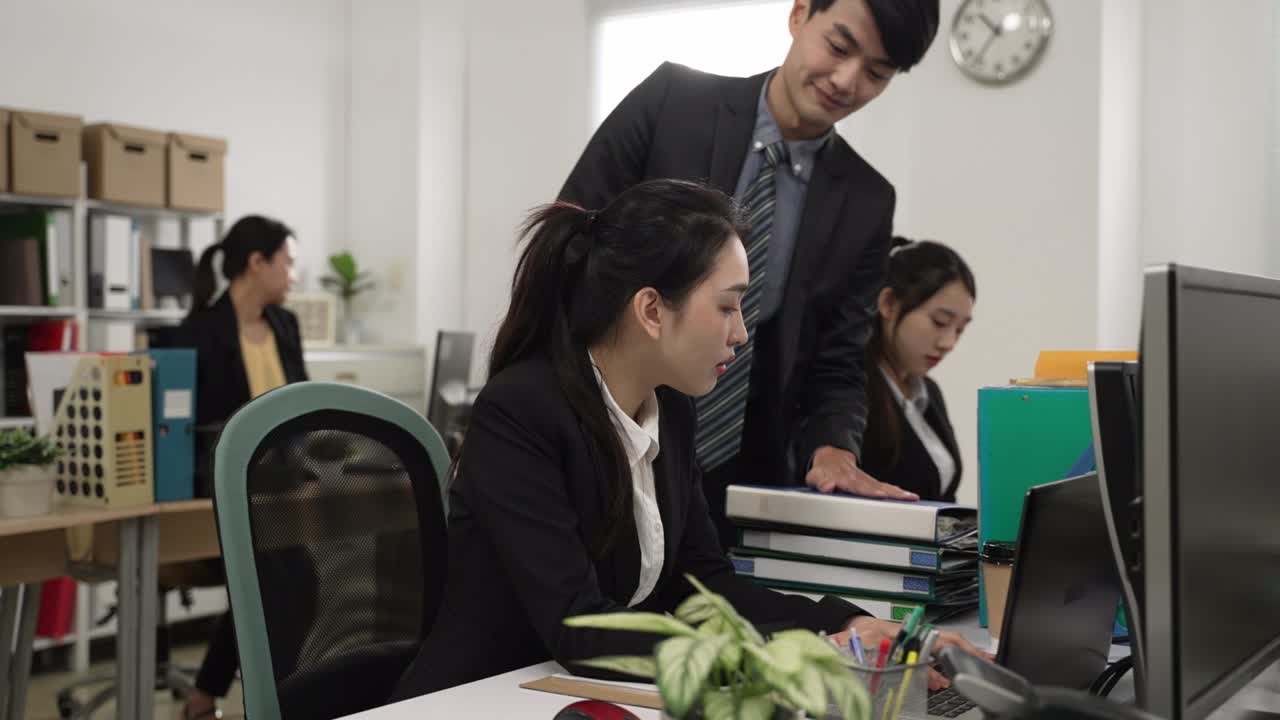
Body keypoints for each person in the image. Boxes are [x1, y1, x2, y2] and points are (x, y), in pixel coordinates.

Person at [390, 179, 980, 700]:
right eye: (727, 306)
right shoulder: (521, 412)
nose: (741, 332)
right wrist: (788, 658)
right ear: (651, 309)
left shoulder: (668, 409)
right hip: (478, 698)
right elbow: (579, 628)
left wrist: (843, 625)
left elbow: (705, 586)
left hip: (579, 698)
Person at [559, 0, 940, 547]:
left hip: (736, 475)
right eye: (838, 47)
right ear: (799, 14)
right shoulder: (674, 102)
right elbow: (570, 240)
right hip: (596, 428)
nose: (847, 80)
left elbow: (840, 357)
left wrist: (835, 446)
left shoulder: (866, 199)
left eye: (877, 73)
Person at [176, 215, 308, 720]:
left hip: (284, 491)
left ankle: (219, 696)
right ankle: (278, 699)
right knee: (287, 569)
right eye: (288, 263)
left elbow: (303, 407)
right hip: (221, 500)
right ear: (257, 263)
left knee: (288, 562)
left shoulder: (284, 325)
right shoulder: (199, 332)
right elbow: (189, 430)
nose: (294, 275)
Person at [858, 238, 975, 502]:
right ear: (888, 303)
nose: (949, 343)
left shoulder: (928, 392)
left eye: (960, 328)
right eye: (940, 321)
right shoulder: (853, 392)